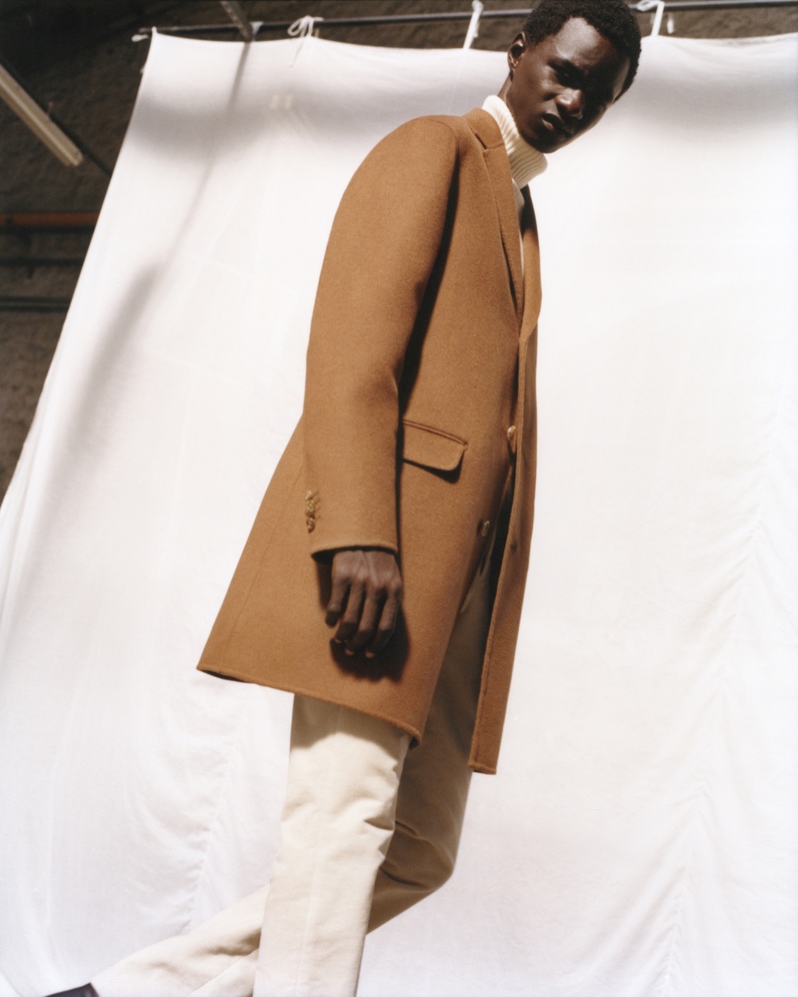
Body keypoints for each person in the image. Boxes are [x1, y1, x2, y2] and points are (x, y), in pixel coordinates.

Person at [59, 2, 641, 995]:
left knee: (418, 847)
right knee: (342, 820)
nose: (572, 101)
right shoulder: (435, 149)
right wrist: (360, 533)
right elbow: (350, 354)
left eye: (598, 94)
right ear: (519, 49)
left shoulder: (515, 204)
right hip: (385, 560)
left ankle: (127, 990)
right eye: (566, 70)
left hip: (455, 583)